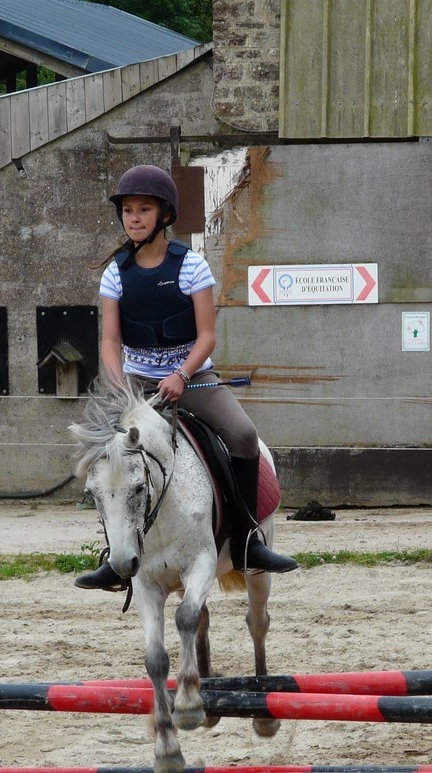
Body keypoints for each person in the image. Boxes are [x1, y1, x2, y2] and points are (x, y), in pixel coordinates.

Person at [76, 164, 298, 590]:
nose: (134, 217)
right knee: (105, 457)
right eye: (127, 210)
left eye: (143, 209)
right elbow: (109, 342)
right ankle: (114, 555)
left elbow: (207, 336)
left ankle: (249, 538)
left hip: (191, 378)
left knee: (245, 437)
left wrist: (181, 373)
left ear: (165, 215)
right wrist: (123, 388)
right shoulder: (114, 273)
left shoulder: (191, 266)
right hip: (137, 385)